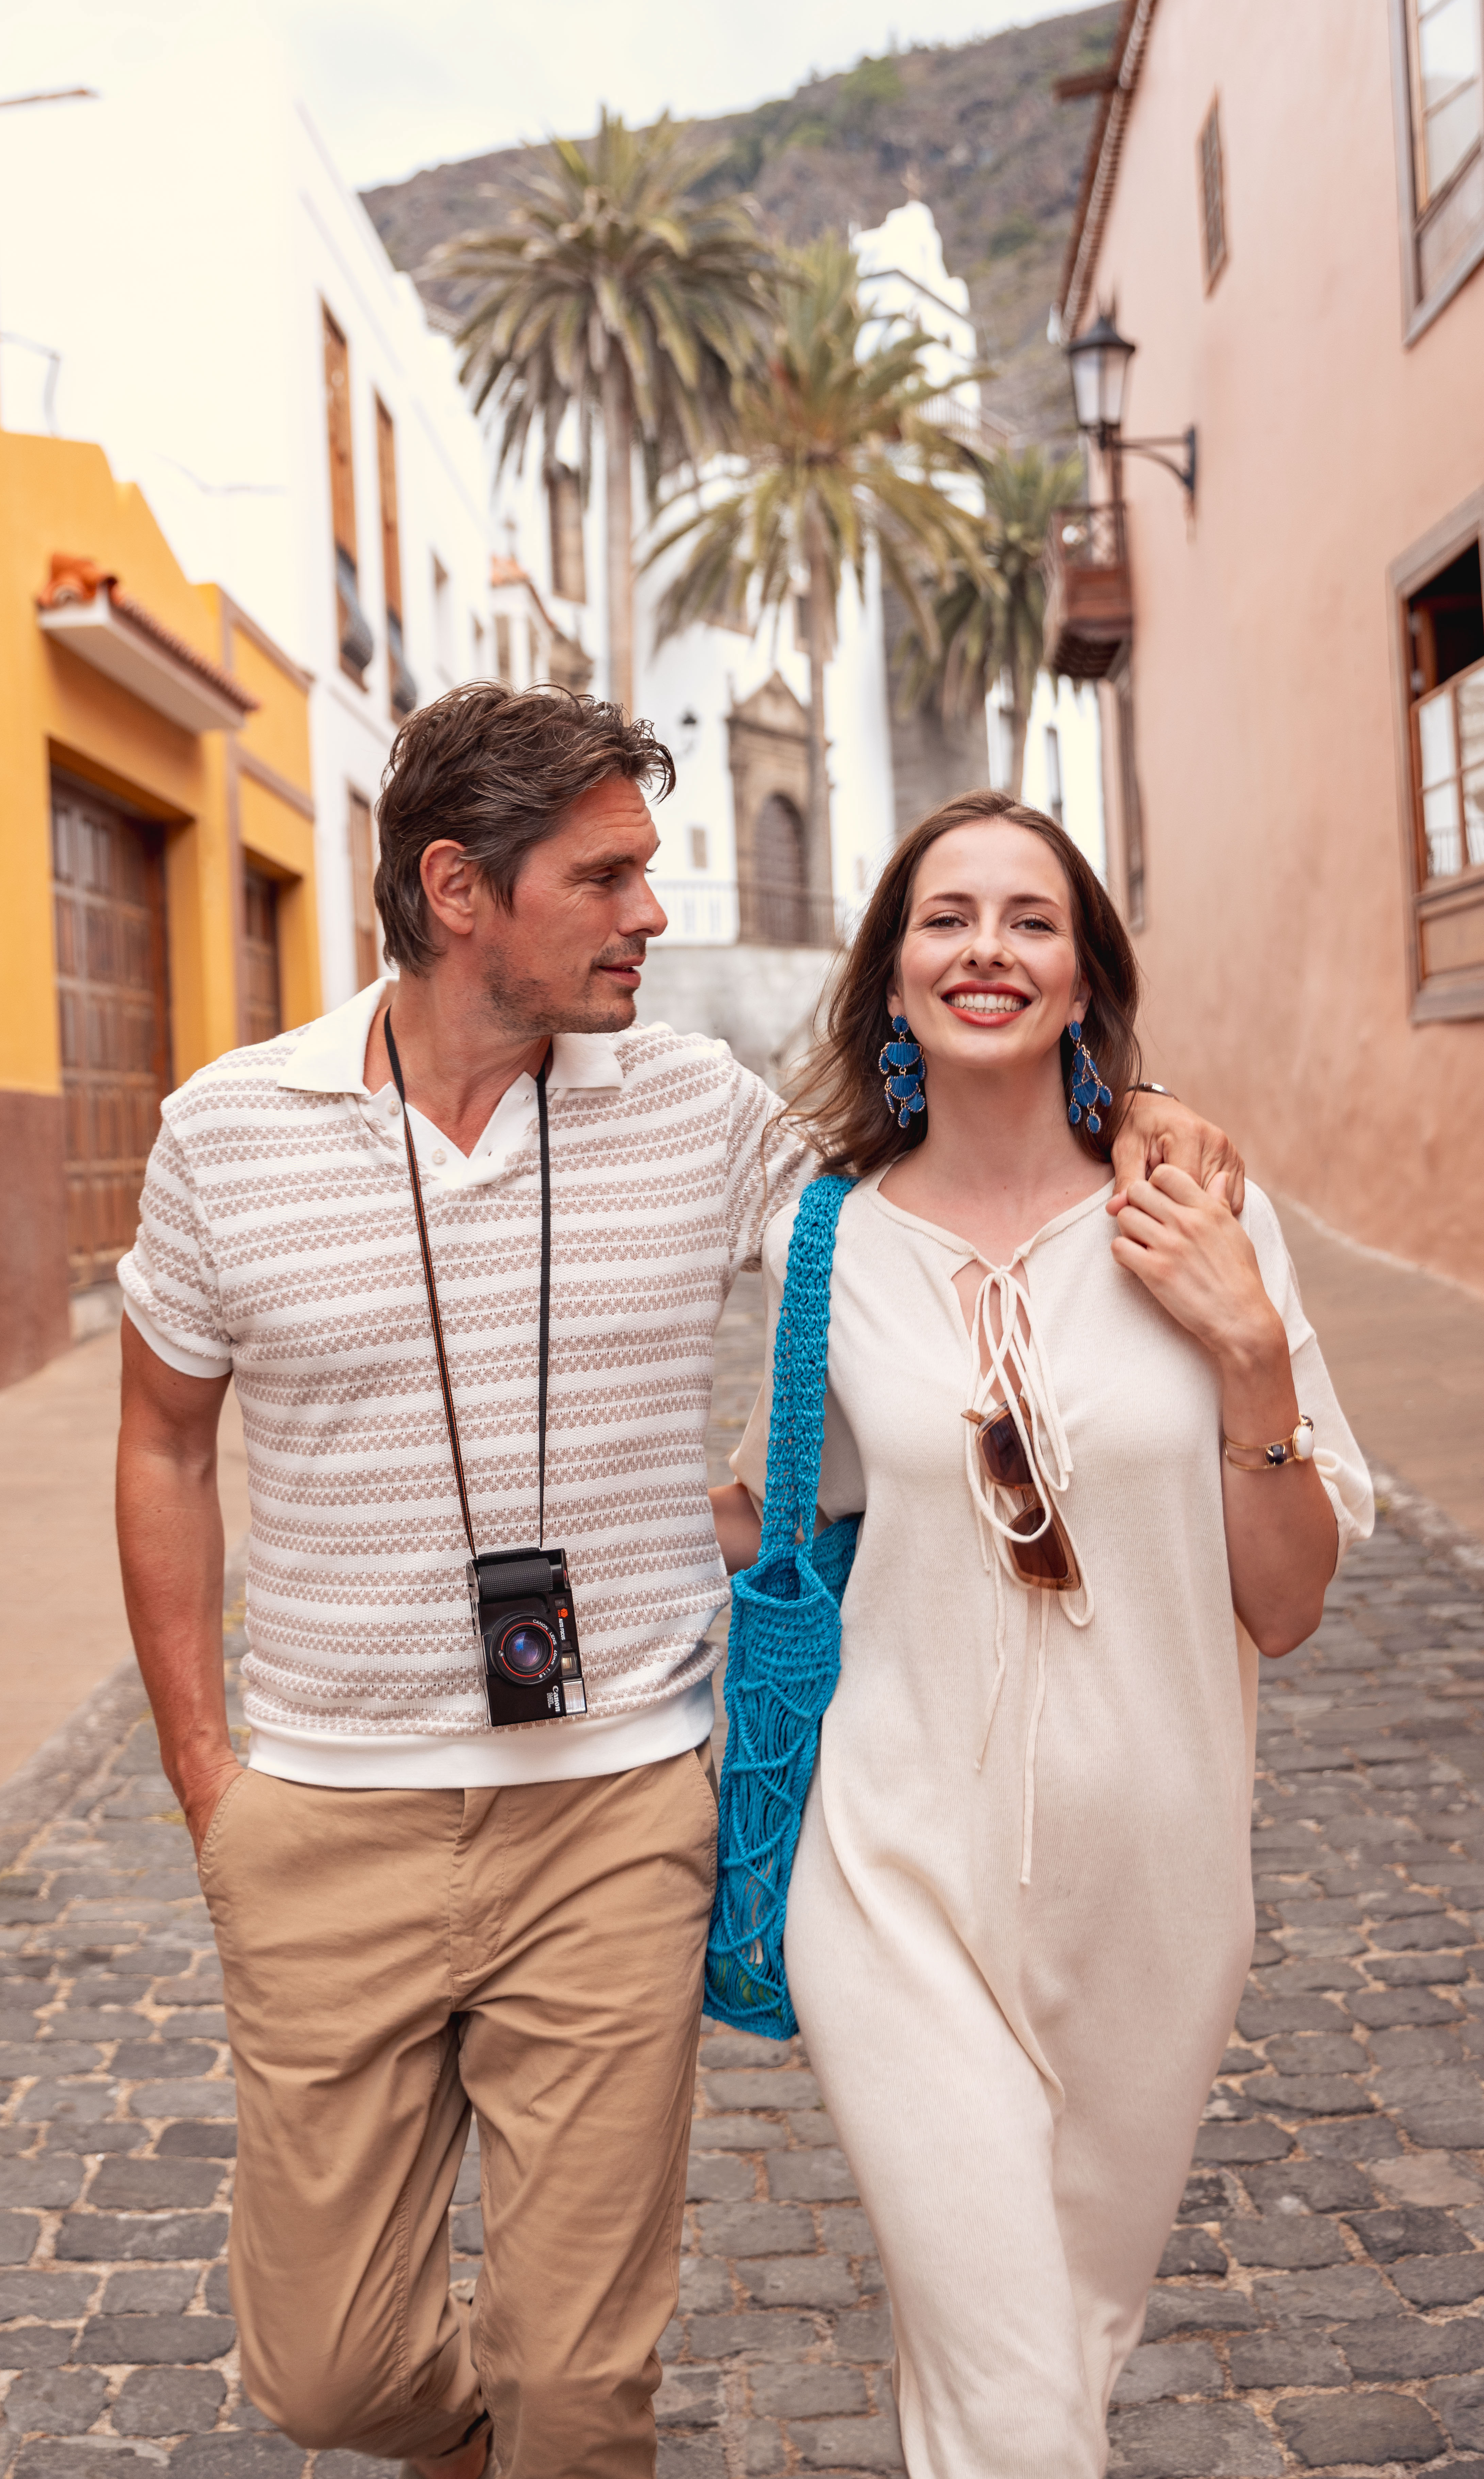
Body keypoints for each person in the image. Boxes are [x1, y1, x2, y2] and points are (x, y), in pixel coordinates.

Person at [114, 692, 1241, 2479]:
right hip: (327, 1810)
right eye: (611, 876)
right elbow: (165, 1445)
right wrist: (207, 1780)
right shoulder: (227, 1132)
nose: (654, 912)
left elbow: (928, 1195)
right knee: (327, 2377)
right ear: (460, 888)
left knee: (581, 2392)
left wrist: (1148, 1113)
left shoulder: (696, 1107)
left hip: (623, 1815)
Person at [715, 788, 1371, 2479]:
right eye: (945, 916)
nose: (985, 947)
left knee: (1048, 2351)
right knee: (1015, 2391)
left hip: (1159, 1885)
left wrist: (1251, 1362)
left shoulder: (1206, 1227)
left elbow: (1286, 1603)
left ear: (1085, 979)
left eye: (1029, 917)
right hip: (896, 1870)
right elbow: (778, 1501)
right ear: (891, 976)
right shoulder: (823, 1246)